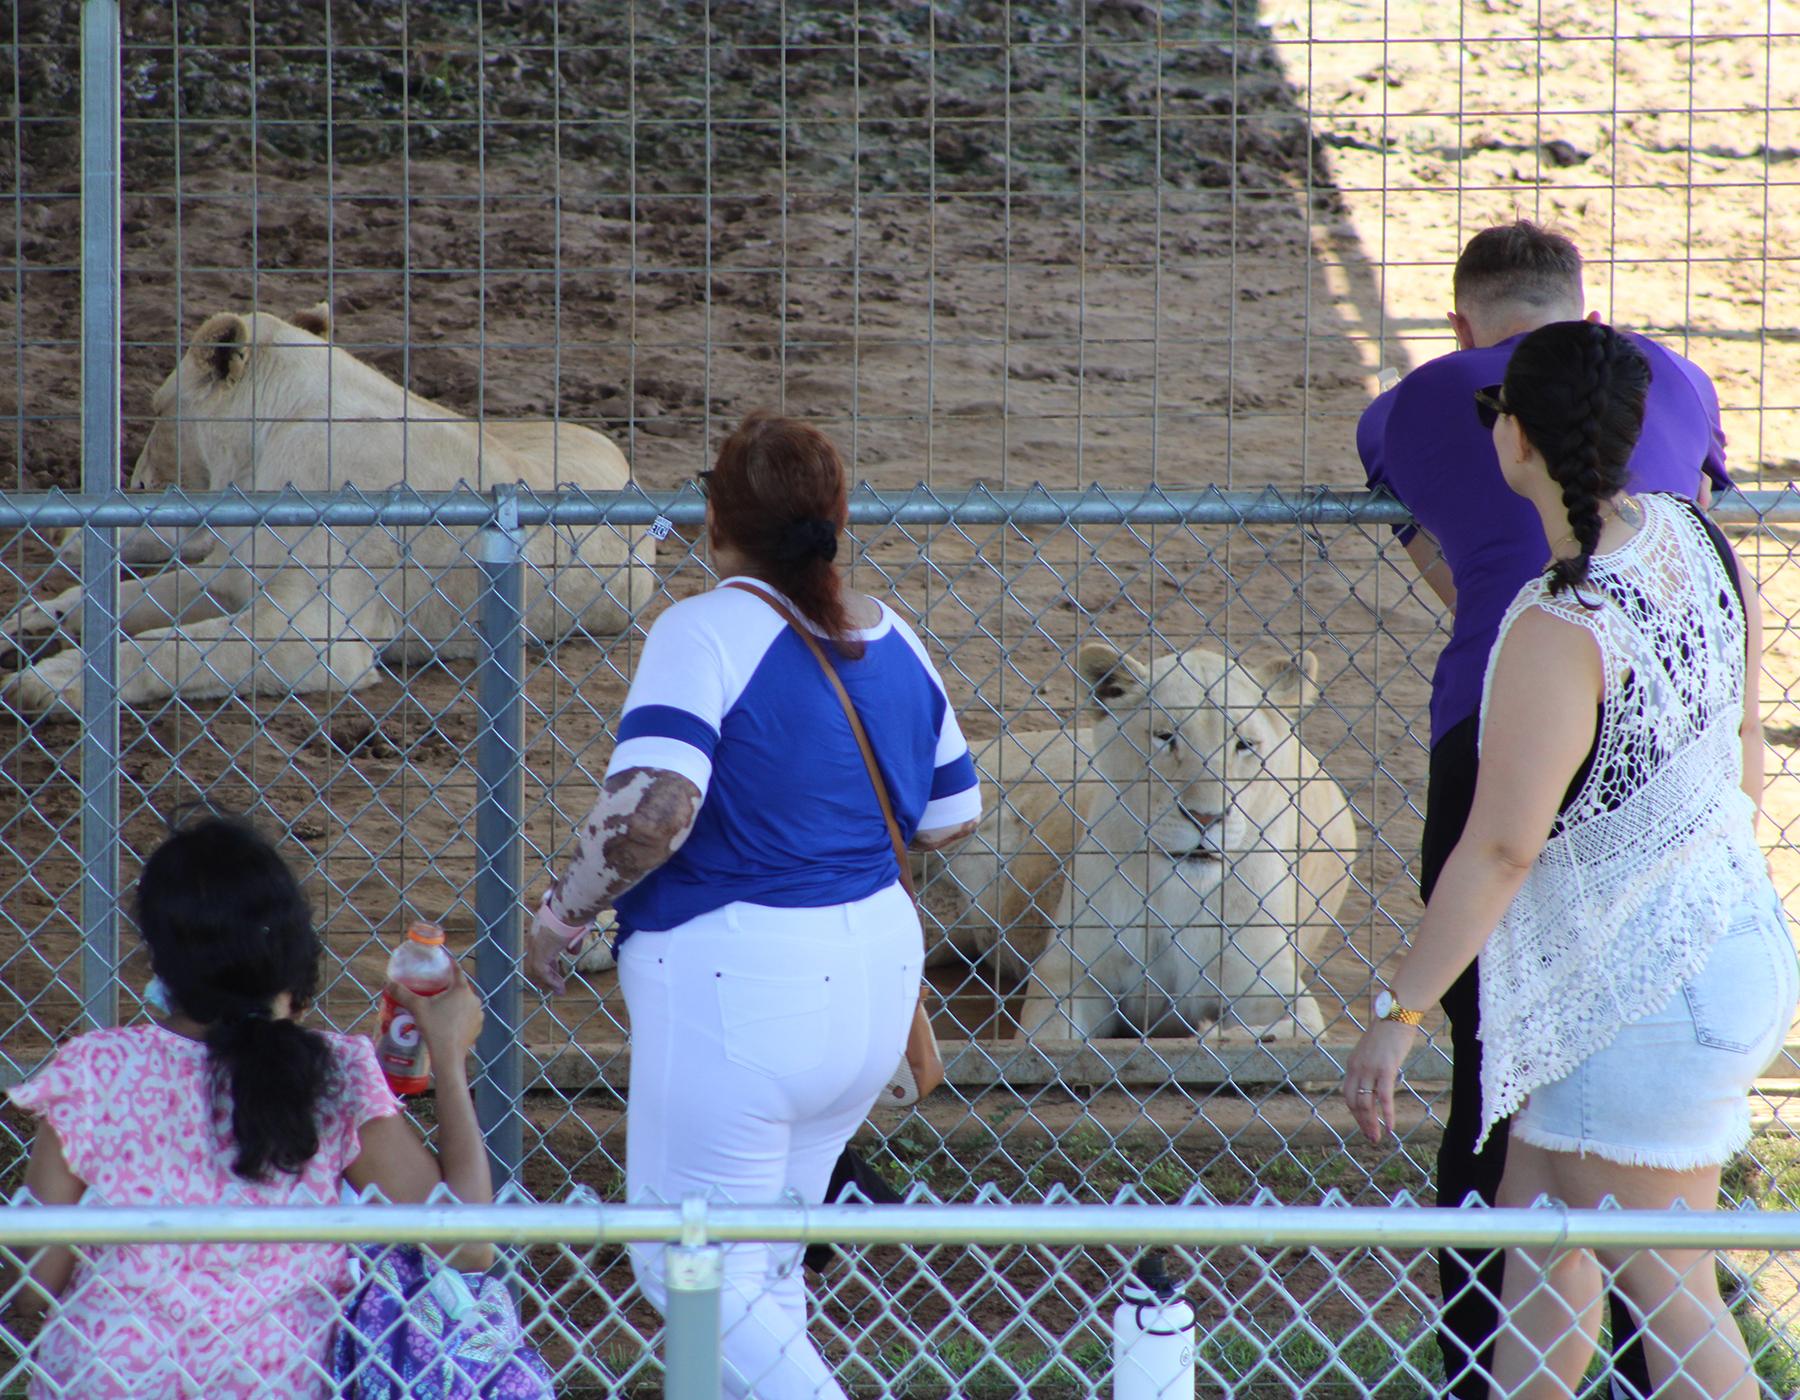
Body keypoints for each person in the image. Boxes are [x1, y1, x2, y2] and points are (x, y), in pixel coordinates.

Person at [1344, 320, 1795, 1398]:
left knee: (1669, 1286)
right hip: (1721, 949)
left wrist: (1400, 1013)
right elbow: (1746, 766)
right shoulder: (1694, 536)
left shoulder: (1561, 618)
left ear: (1516, 443)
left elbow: (1500, 848)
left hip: (1641, 992)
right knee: (1537, 1227)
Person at [525, 411, 983, 1400]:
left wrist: (563, 913)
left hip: (740, 986)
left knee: (683, 1264)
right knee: (765, 1265)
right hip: (870, 977)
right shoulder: (891, 632)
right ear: (840, 514)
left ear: (713, 519)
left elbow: (653, 814)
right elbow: (954, 815)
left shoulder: (702, 629)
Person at [6, 814, 493, 1398]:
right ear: (292, 949)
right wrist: (448, 1053)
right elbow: (468, 1243)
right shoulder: (334, 1074)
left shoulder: (94, 1068)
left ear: (162, 961)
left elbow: (35, 1284)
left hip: (106, 1381)